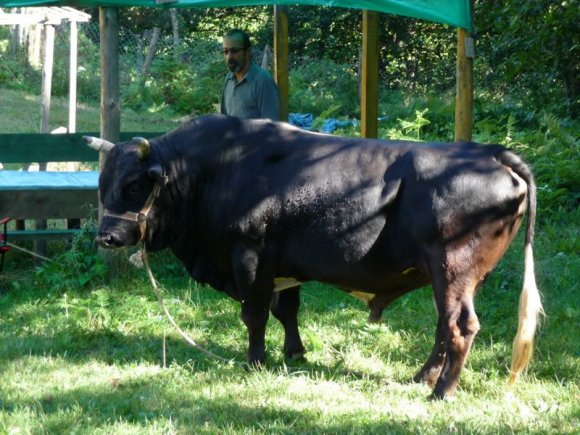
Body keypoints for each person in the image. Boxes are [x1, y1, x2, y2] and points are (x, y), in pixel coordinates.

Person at [220, 29, 280, 121]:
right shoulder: (229, 79)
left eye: (234, 51)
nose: (229, 56)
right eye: (225, 52)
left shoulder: (263, 81)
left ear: (248, 52)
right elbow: (224, 121)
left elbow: (273, 127)